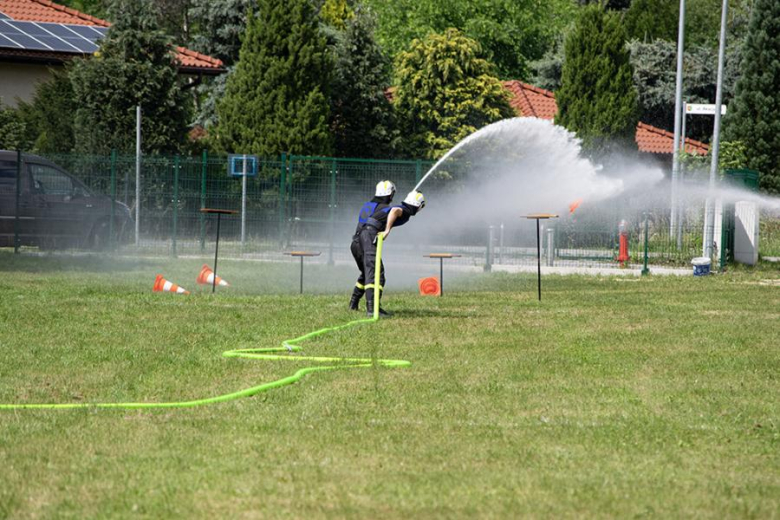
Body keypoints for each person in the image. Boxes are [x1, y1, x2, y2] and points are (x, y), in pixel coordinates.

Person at [349, 183, 426, 316]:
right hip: (368, 236)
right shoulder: (403, 210)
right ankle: (372, 309)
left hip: (357, 240)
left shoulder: (368, 205)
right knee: (376, 273)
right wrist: (387, 230)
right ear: (418, 205)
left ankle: (354, 303)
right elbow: (394, 212)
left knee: (368, 271)